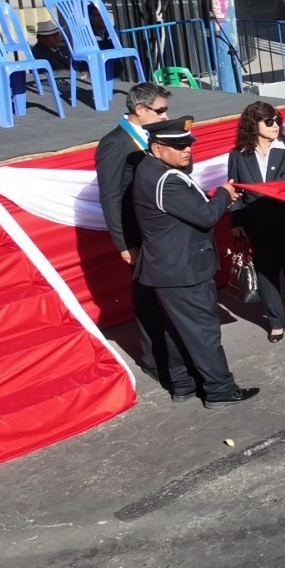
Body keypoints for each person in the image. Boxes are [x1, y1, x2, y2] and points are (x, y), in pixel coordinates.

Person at [133, 116, 256, 407]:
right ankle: (220, 390)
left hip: (167, 269)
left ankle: (183, 385)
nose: (186, 150)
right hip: (184, 270)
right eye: (177, 146)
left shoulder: (149, 170)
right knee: (202, 331)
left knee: (177, 331)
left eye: (187, 144)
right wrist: (224, 195)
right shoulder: (167, 179)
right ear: (156, 148)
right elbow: (205, 216)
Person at [95, 82, 175, 386]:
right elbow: (111, 197)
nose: (167, 115)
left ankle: (171, 353)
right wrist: (124, 242)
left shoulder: (152, 135)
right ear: (139, 110)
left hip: (160, 229)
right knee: (147, 297)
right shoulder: (114, 144)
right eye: (161, 110)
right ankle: (154, 361)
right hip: (138, 235)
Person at [226, 103, 285, 342]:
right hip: (258, 225)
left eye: (277, 120)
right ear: (253, 125)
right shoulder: (238, 154)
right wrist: (235, 220)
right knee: (266, 275)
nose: (275, 125)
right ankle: (276, 322)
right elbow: (234, 189)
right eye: (269, 122)